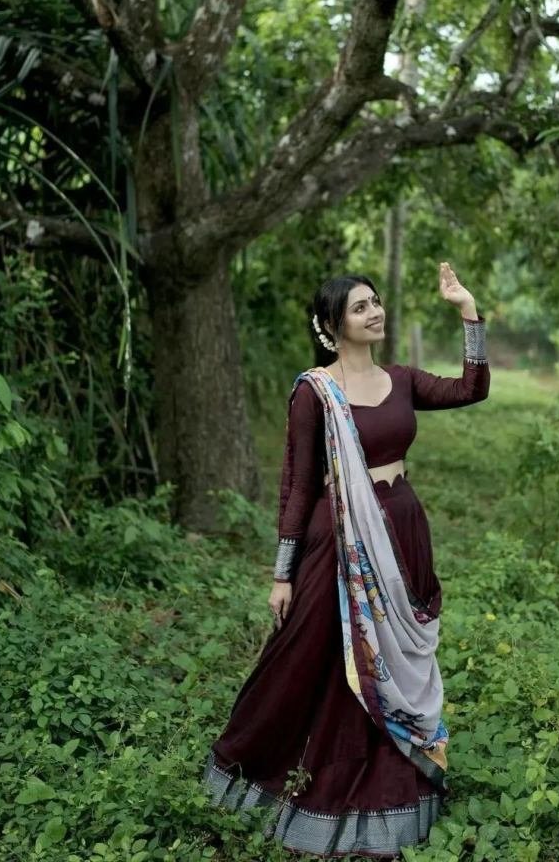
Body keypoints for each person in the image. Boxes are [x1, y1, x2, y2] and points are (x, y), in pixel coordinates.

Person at [201, 262, 490, 858]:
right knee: (318, 657)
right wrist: (283, 572)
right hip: (339, 538)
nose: (374, 312)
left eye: (376, 302)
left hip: (402, 527)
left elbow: (471, 389)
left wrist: (467, 309)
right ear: (333, 325)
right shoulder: (315, 392)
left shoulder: (403, 379)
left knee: (389, 656)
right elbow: (299, 486)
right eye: (360, 307)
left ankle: (393, 775)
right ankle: (285, 769)